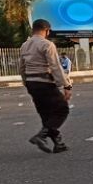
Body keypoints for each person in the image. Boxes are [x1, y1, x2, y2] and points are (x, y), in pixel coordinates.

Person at [20, 19, 72, 154]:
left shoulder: (24, 45)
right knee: (62, 110)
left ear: (33, 29)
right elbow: (55, 66)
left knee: (46, 114)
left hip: (32, 83)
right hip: (44, 82)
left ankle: (58, 144)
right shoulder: (47, 44)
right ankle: (41, 136)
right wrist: (66, 85)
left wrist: (26, 83)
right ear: (47, 30)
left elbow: (22, 67)